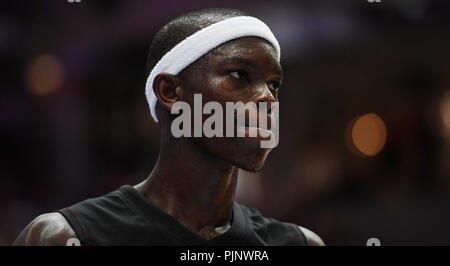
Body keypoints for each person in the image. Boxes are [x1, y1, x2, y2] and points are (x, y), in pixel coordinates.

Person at [13, 8, 324, 246]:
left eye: (274, 84)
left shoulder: (299, 243)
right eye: (240, 75)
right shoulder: (67, 235)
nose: (267, 98)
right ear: (171, 92)